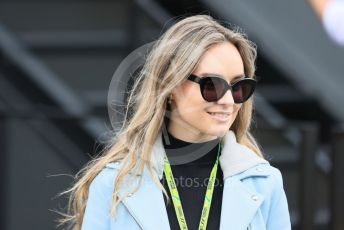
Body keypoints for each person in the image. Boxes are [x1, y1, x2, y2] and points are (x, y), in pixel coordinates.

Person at [59, 15, 291, 230]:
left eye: (239, 87)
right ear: (170, 86)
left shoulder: (266, 183)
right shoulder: (111, 184)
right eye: (212, 85)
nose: (228, 101)